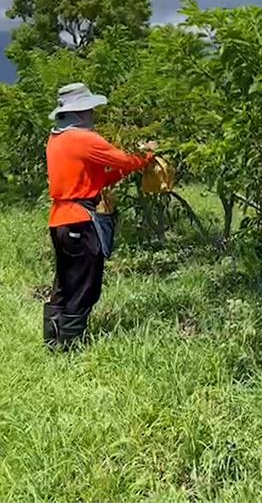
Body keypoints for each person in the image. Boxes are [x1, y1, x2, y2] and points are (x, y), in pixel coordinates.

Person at [43, 83, 154, 349]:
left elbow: (97, 177)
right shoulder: (84, 139)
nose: (93, 113)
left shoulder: (57, 138)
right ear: (81, 112)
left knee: (65, 283)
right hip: (80, 220)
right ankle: (69, 348)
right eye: (90, 109)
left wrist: (127, 169)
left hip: (60, 219)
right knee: (85, 287)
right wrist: (148, 153)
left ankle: (53, 342)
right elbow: (125, 159)